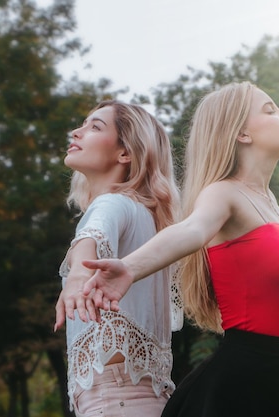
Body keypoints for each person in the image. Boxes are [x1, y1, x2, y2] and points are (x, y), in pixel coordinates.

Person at [78, 81, 279, 417]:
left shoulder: (269, 202)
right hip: (238, 386)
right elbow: (192, 229)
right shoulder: (223, 193)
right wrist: (130, 268)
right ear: (242, 134)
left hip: (274, 377)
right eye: (270, 110)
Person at [53, 100, 183, 417]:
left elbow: (92, 236)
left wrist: (80, 274)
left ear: (125, 153)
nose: (77, 131)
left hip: (114, 402)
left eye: (95, 127)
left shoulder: (111, 203)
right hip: (146, 400)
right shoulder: (146, 216)